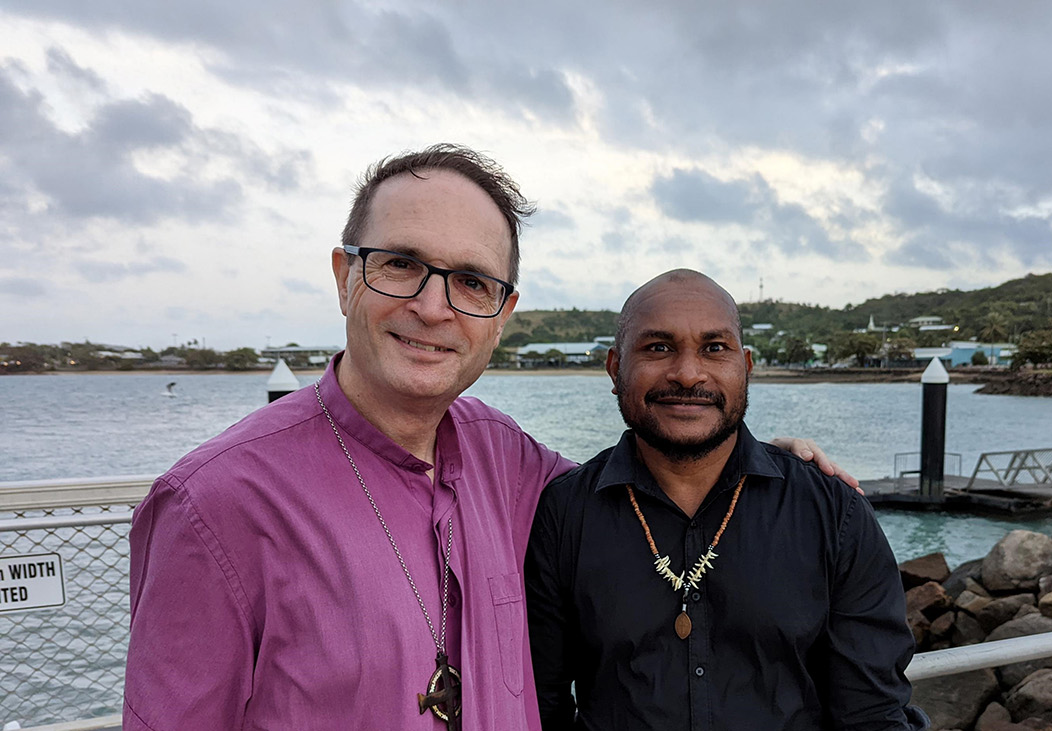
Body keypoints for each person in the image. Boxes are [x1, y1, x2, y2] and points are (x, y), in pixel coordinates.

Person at [124, 145, 855, 731]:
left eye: (472, 281)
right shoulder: (212, 505)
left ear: (502, 313)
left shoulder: (513, 464)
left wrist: (757, 460)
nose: (434, 306)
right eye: (402, 263)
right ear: (347, 275)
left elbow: (652, 486)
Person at [526, 269, 928, 731]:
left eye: (715, 348)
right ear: (616, 369)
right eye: (658, 347)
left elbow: (870, 713)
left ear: (747, 367)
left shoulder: (833, 512)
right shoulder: (564, 514)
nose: (689, 373)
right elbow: (540, 703)